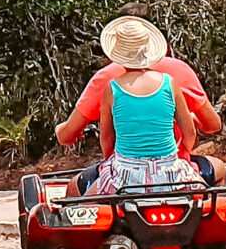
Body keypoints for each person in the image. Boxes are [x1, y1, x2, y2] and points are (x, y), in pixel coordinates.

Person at [56, 6, 226, 184]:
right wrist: (184, 142)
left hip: (126, 174)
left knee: (74, 191)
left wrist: (111, 161)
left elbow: (94, 137)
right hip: (172, 170)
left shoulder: (108, 82)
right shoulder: (175, 76)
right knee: (222, 170)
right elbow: (212, 125)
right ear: (151, 41)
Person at [83, 16, 204, 194]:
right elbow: (190, 132)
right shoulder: (169, 83)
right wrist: (183, 151)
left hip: (126, 175)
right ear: (149, 51)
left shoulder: (112, 88)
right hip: (169, 172)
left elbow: (106, 139)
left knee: (84, 205)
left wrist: (112, 161)